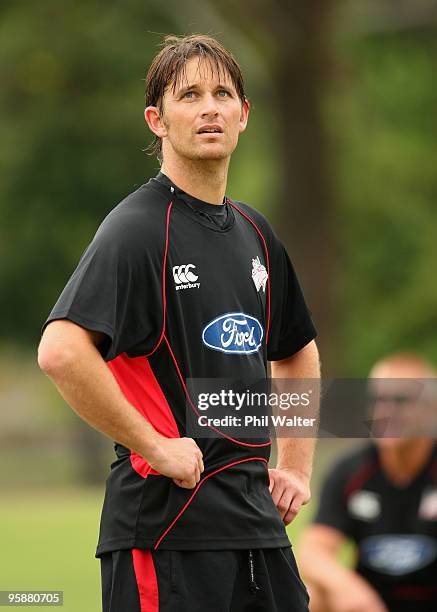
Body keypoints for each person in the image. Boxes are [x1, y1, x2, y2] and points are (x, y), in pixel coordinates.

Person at [38, 34, 320, 611]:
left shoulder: (257, 233)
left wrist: (293, 465)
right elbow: (61, 351)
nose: (209, 107)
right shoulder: (138, 230)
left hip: (257, 528)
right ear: (157, 120)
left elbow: (297, 351)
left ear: (244, 116)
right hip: (167, 532)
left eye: (222, 94)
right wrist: (156, 445)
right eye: (188, 95)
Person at [299, 353, 437, 612]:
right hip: (370, 603)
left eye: (401, 400)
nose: (387, 411)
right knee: (312, 595)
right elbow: (313, 552)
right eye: (379, 400)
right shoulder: (351, 470)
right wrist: (348, 588)